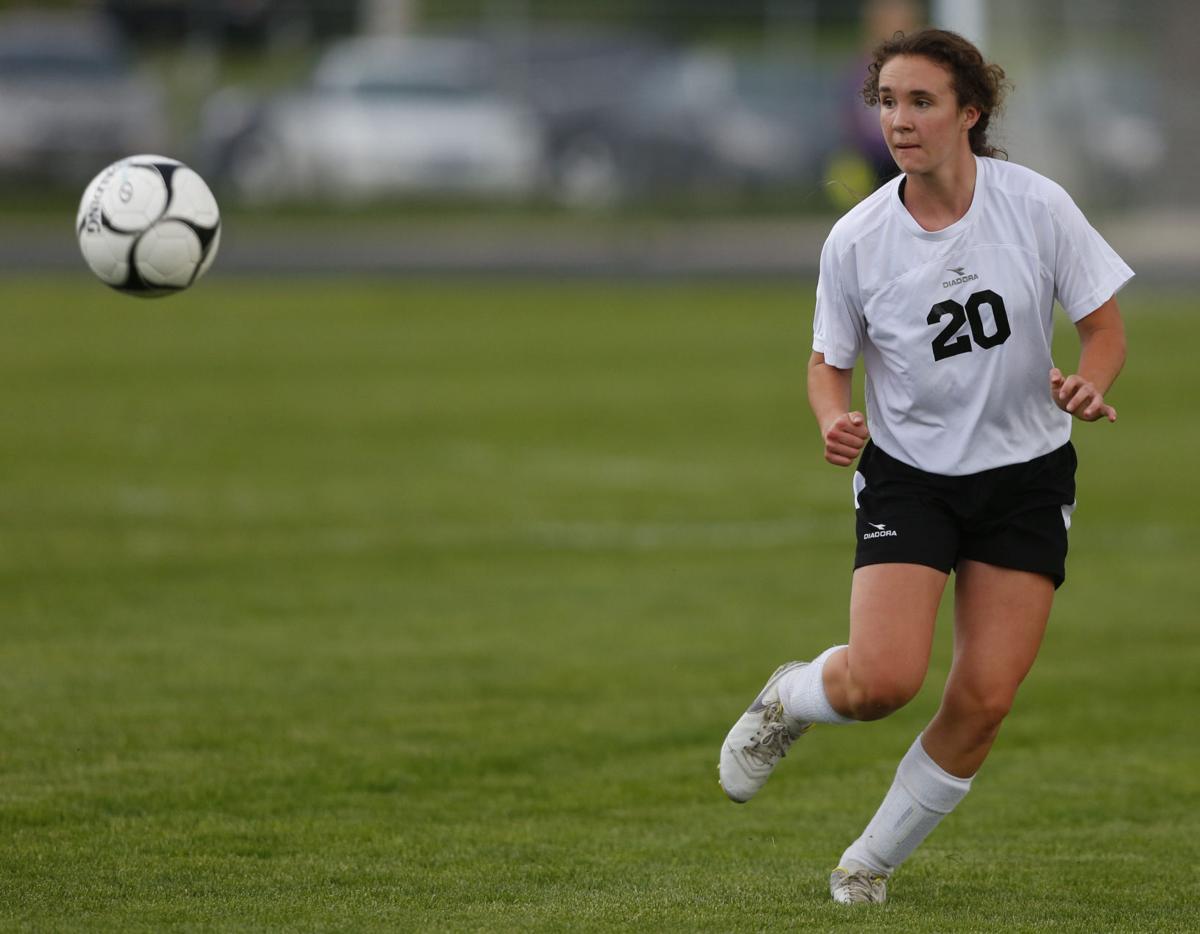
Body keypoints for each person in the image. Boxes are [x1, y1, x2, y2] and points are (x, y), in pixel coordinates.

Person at [718, 28, 1131, 906]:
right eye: (887, 103)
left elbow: (1104, 328)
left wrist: (1088, 388)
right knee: (882, 682)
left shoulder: (1037, 206)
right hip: (911, 474)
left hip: (1026, 476)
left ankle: (866, 866)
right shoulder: (858, 238)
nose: (899, 121)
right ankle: (790, 699)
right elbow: (827, 359)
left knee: (983, 699)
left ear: (969, 113)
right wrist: (833, 417)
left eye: (920, 102)